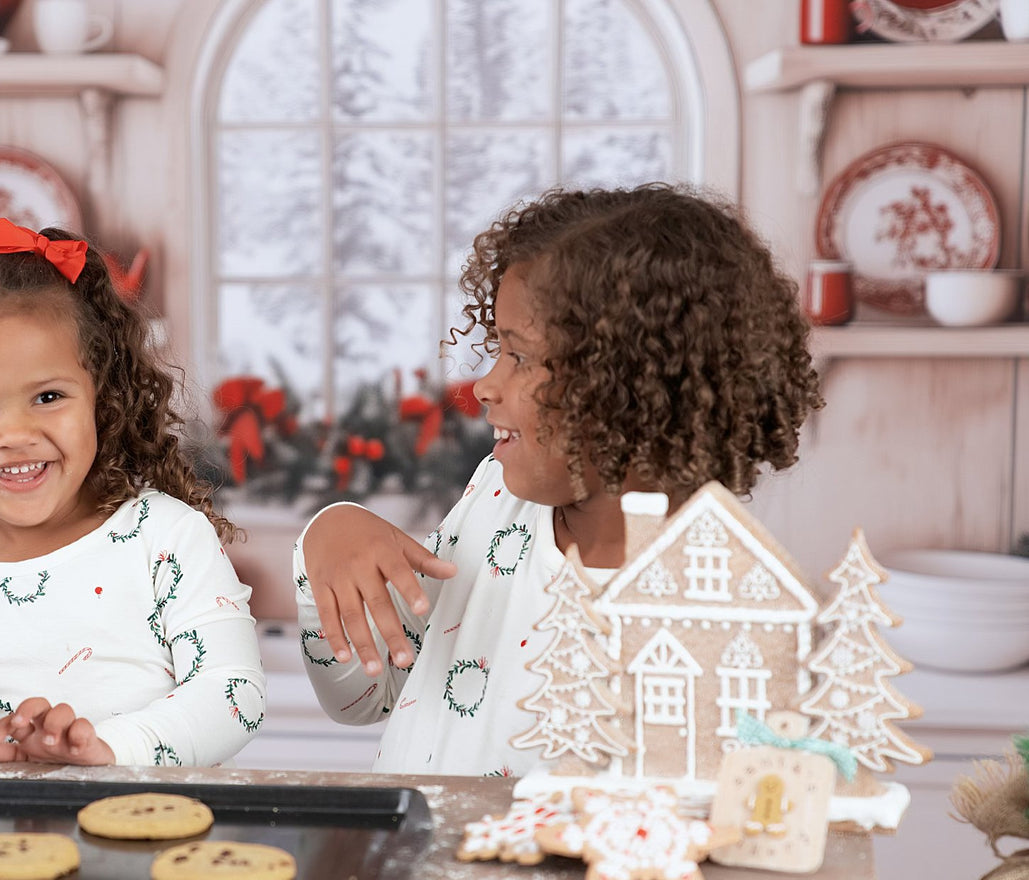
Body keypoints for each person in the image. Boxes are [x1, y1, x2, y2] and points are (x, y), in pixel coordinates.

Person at [295, 184, 823, 776]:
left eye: (518, 357)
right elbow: (363, 696)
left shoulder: (716, 602)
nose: (484, 386)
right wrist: (328, 536)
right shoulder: (495, 501)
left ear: (628, 386)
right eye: (497, 348)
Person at [0, 218, 266, 766]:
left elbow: (235, 698)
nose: (15, 435)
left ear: (101, 399)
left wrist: (106, 751)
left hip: (158, 843)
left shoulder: (166, 539)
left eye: (47, 396)